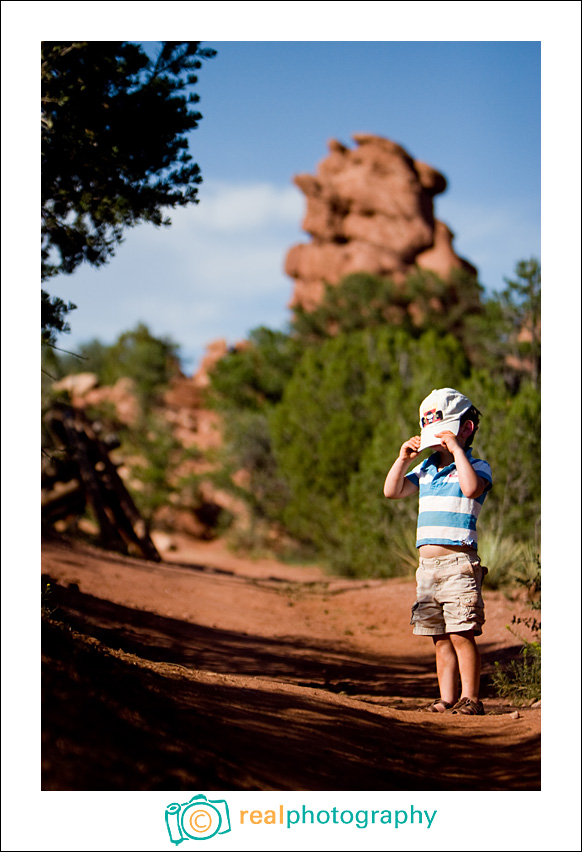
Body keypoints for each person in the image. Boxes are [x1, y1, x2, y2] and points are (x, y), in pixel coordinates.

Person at [383, 388, 492, 715]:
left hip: (459, 563)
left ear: (466, 429)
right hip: (427, 568)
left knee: (462, 632)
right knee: (439, 636)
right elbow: (392, 490)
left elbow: (471, 489)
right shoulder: (426, 469)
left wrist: (458, 450)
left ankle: (471, 698)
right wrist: (403, 459)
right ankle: (446, 699)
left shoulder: (476, 466)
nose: (439, 443)